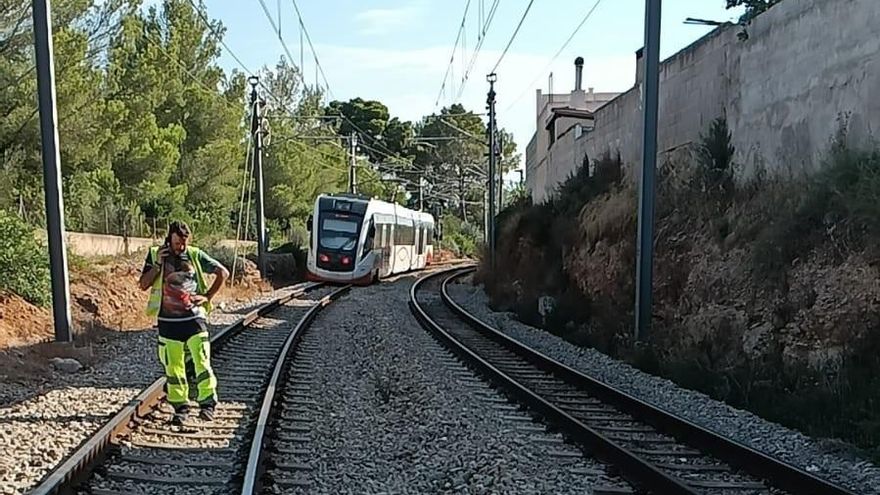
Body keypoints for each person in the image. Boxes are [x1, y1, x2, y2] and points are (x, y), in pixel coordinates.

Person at [138, 221, 229, 425]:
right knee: (174, 367)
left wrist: (207, 296)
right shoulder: (155, 254)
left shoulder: (195, 254)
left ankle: (207, 404)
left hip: (194, 319)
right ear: (169, 238)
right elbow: (143, 284)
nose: (181, 247)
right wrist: (158, 266)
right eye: (178, 242)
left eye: (184, 242)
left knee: (202, 360)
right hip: (168, 322)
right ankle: (181, 407)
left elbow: (223, 272)